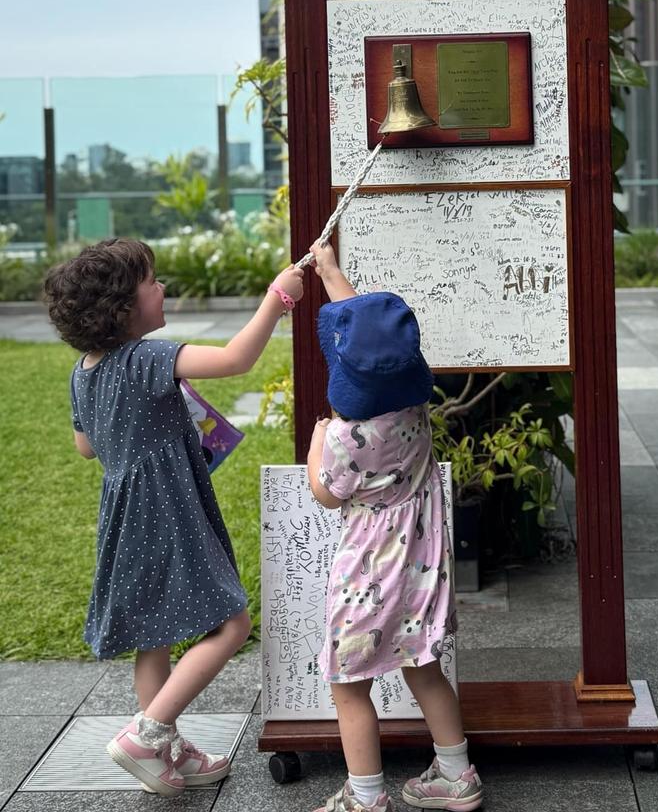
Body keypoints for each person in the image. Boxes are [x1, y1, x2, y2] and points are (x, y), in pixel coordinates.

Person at [43, 237, 303, 797]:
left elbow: (85, 448)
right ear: (124, 309)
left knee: (151, 636)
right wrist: (276, 298)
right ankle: (147, 733)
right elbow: (235, 359)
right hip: (168, 510)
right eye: (152, 283)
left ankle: (166, 749)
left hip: (124, 515)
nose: (163, 288)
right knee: (232, 624)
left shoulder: (83, 372)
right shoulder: (149, 359)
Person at [305, 240, 483, 812]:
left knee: (349, 687)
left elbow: (326, 495)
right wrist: (332, 271)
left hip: (367, 576)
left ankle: (365, 798)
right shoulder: (412, 409)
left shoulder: (345, 440)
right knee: (425, 668)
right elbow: (374, 346)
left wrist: (314, 442)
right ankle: (457, 776)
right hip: (421, 569)